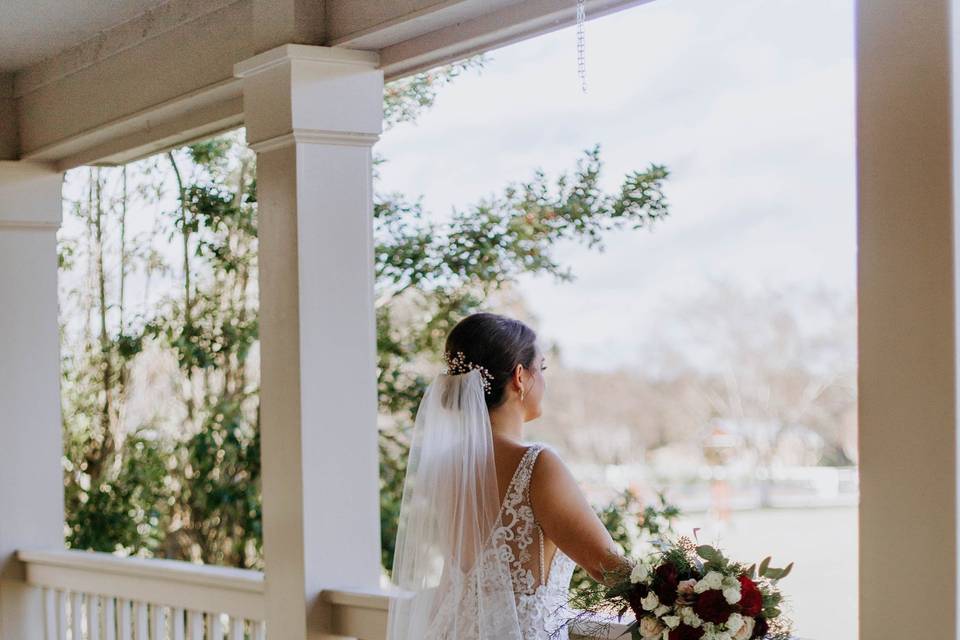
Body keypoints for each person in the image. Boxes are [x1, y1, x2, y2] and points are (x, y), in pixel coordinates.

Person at [386, 312, 632, 640]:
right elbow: (607, 566)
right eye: (541, 369)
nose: (543, 382)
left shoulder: (447, 465)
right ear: (520, 376)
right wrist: (692, 588)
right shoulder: (537, 464)